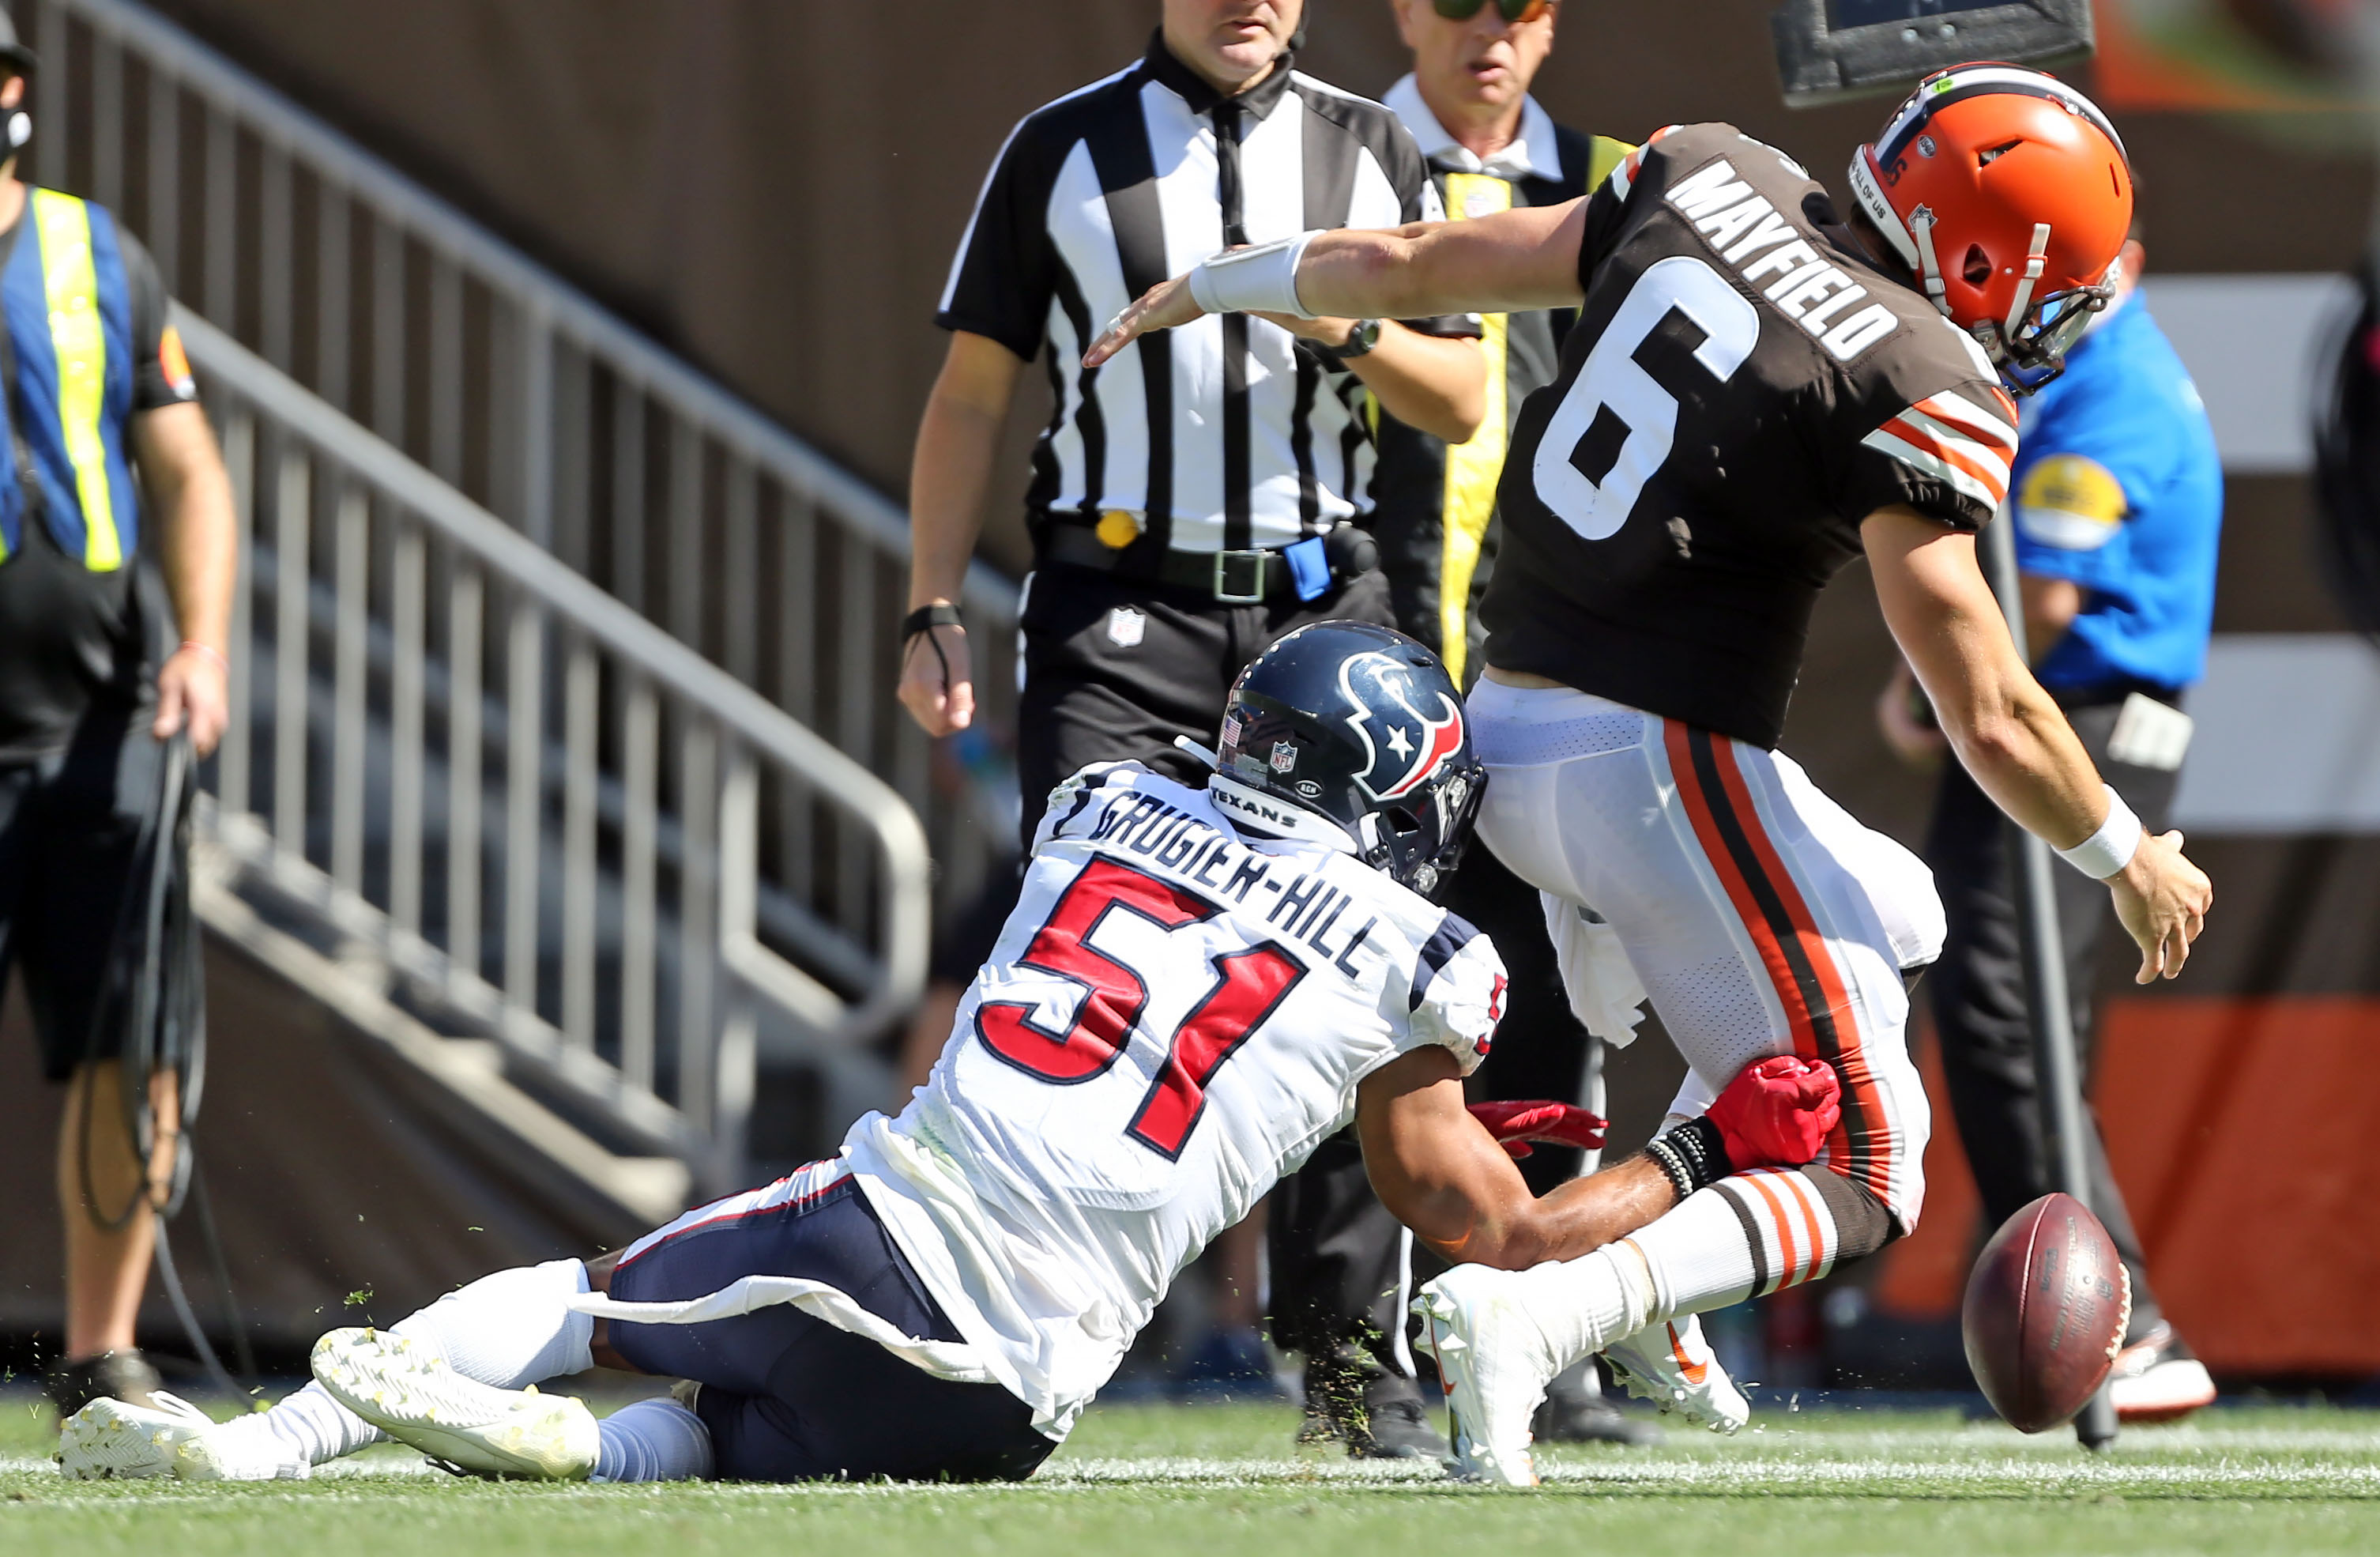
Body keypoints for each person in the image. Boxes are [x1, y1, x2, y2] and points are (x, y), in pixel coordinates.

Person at [1086, 62, 2213, 1483]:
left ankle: (1649, 1293)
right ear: (1979, 252)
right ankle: (1548, 1313)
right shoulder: (1916, 368)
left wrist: (1219, 281)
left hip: (1505, 728)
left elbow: (1430, 259)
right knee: (1868, 1165)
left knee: (1898, 912)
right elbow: (1988, 705)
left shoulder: (1704, 165)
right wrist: (2128, 852)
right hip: (1655, 766)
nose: (2045, 319)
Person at [60, 624, 1843, 1485]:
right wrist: (1697, 1153)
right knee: (732, 1419)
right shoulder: (1418, 955)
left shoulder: (1098, 807)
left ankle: (267, 1448)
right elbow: (1499, 1236)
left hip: (876, 1233)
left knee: (597, 1294)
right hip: (1011, 1403)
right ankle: (595, 1460)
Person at [901, 0, 1486, 1454]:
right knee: (1080, 959)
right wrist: (928, 599)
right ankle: (1006, 1332)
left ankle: (1353, 1375)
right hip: (1118, 604)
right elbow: (973, 391)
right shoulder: (1060, 150)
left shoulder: (1375, 149)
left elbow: (1467, 392)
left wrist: (1321, 314)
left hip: (1323, 609)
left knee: (1357, 987)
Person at [1267, 0, 1656, 1454]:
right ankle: (1347, 1371)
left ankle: (1533, 1341)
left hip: (1543, 666)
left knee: (1551, 1004)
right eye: (1456, 0)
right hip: (1363, 661)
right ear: (1400, 11)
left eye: (1523, 3)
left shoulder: (1616, 181)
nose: (1489, 31)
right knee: (1348, 1017)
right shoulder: (1338, 161)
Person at [1877, 224, 2222, 1423]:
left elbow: (2054, 594)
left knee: (1997, 1002)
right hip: (2085, 719)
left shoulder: (2110, 381)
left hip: (2082, 723)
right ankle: (2073, 1320)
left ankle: (2121, 1321)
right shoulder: (2098, 367)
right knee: (2023, 1024)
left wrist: (1941, 694)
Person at [0, 19, 238, 1423]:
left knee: (131, 1038)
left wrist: (202, 646)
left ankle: (103, 1354)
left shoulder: (101, 254)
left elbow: (189, 470)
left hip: (98, 726)